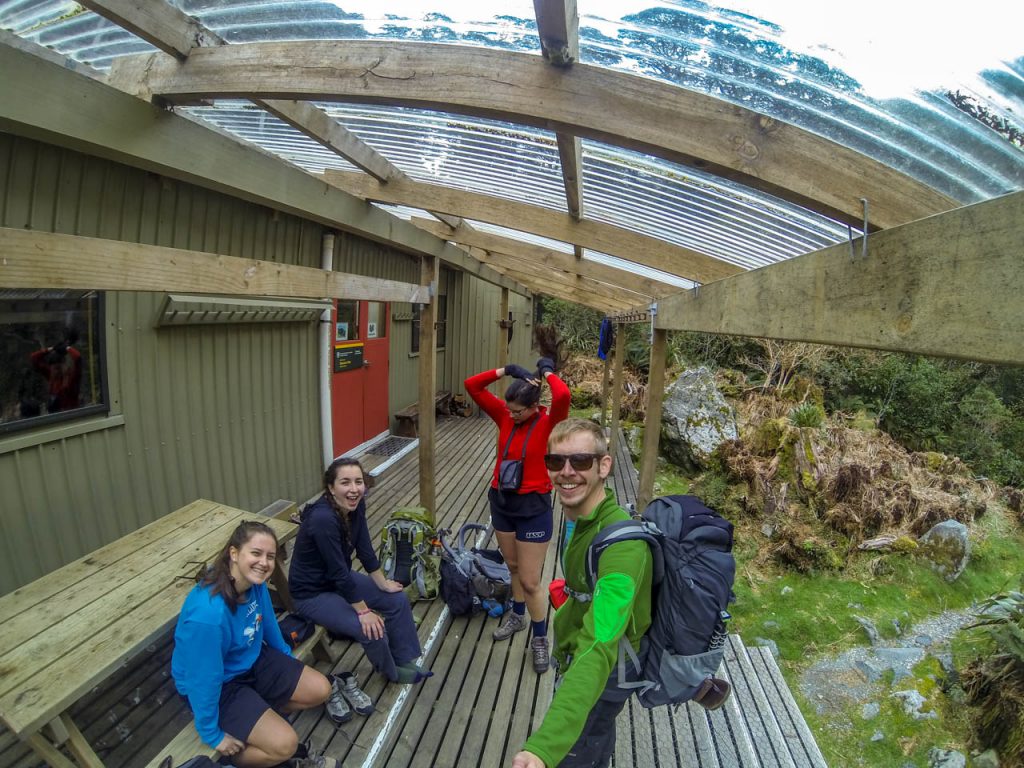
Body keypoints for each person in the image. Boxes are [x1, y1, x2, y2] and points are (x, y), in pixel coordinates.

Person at [511, 418, 652, 768]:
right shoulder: (584, 519)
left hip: (603, 672)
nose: (566, 472)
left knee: (581, 748)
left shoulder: (624, 547)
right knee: (597, 740)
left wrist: (545, 747)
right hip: (581, 659)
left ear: (604, 466)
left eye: (581, 461)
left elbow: (599, 642)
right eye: (556, 462)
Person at [170, 520, 337, 768]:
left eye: (270, 556)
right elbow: (203, 678)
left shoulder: (253, 583)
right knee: (286, 745)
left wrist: (285, 661)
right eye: (256, 553)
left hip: (252, 659)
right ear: (234, 553)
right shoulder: (208, 616)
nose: (264, 563)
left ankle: (257, 712)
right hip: (219, 685)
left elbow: (267, 621)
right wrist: (212, 735)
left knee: (321, 689)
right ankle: (234, 759)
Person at [464, 330, 570, 674]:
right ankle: (518, 616)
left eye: (518, 412)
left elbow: (564, 395)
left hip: (533, 508)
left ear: (535, 408)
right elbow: (472, 386)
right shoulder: (504, 416)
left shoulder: (549, 422)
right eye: (508, 410)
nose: (511, 416)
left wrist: (547, 370)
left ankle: (540, 638)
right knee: (512, 569)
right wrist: (506, 370)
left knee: (530, 580)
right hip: (502, 501)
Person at [289, 457, 431, 713]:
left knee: (396, 599)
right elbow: (339, 573)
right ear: (331, 488)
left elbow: (364, 549)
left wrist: (383, 584)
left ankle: (403, 657)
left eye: (358, 482)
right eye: (345, 482)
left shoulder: (356, 505)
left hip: (338, 578)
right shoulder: (323, 519)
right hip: (313, 593)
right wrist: (363, 611)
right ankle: (391, 671)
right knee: (370, 628)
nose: (354, 489)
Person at [29, 329, 82, 412]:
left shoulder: (71, 378)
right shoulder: (51, 375)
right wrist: (51, 348)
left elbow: (78, 357)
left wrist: (67, 348)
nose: (56, 370)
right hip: (54, 414)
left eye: (59, 367)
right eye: (54, 367)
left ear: (64, 364)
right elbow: (34, 358)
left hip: (70, 414)